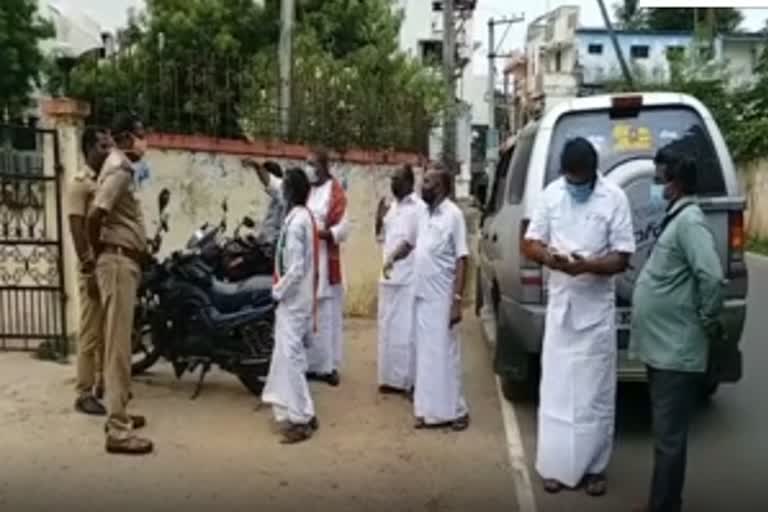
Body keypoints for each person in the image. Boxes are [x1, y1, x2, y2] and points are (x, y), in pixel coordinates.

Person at [522, 137, 635, 496]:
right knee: (556, 391)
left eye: (582, 180)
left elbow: (622, 257)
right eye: (571, 180)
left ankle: (594, 469)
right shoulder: (552, 195)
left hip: (595, 310)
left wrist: (587, 266)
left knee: (594, 395)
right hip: (561, 307)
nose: (576, 186)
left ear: (593, 171)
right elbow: (530, 241)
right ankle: (554, 467)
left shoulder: (614, 197)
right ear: (563, 173)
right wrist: (549, 258)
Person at [630, 149, 724, 512]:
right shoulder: (678, 217)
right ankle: (662, 501)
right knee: (664, 434)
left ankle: (665, 506)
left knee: (669, 438)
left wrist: (707, 318)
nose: (655, 184)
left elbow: (712, 276)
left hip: (676, 347)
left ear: (676, 182)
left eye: (659, 178)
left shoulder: (690, 222)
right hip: (664, 345)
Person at [384, 165, 470, 431]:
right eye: (424, 181)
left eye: (429, 182)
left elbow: (462, 259)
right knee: (425, 356)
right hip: (421, 296)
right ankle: (428, 411)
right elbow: (410, 243)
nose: (423, 186)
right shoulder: (423, 213)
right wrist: (392, 258)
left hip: (442, 298)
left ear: (442, 187)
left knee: (445, 355)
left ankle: (456, 411)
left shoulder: (454, 215)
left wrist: (457, 300)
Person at [87, 112, 153, 455]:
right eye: (141, 135)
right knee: (117, 349)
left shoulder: (119, 166)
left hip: (120, 260)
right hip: (116, 261)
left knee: (121, 344)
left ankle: (120, 411)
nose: (145, 141)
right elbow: (95, 214)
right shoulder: (121, 167)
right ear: (126, 138)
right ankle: (118, 429)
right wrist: (98, 257)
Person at [261, 167, 320, 444]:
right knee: (286, 357)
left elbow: (295, 268)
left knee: (292, 359)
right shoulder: (299, 216)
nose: (280, 189)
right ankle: (298, 409)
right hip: (297, 299)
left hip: (293, 301)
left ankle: (301, 418)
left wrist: (277, 291)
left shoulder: (297, 222)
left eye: (284, 186)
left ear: (291, 191)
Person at [69, 126, 111, 415]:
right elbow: (76, 227)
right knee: (90, 333)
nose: (107, 151)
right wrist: (88, 266)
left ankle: (101, 384)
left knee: (107, 332)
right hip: (92, 266)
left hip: (109, 263)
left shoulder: (105, 179)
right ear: (88, 149)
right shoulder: (80, 183)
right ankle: (83, 392)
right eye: (102, 147)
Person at [376, 165, 423, 396]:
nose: (392, 183)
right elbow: (382, 239)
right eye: (391, 178)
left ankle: (407, 382)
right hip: (388, 277)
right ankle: (388, 379)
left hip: (408, 279)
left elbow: (413, 244)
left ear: (408, 182)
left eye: (396, 178)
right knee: (387, 330)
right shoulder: (392, 207)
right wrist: (379, 218)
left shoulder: (419, 208)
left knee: (406, 333)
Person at [304, 148, 349, 386]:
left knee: (327, 314)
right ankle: (311, 365)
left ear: (323, 166)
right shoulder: (307, 190)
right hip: (307, 257)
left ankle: (328, 366)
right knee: (309, 312)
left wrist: (324, 233)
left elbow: (344, 227)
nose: (308, 168)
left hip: (325, 256)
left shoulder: (335, 192)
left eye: (312, 164)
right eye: (306, 163)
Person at [243, 158, 286, 250]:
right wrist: (254, 225)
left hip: (273, 248)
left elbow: (270, 182)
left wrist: (256, 166)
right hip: (265, 245)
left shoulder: (282, 192)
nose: (262, 182)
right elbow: (269, 224)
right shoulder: (274, 198)